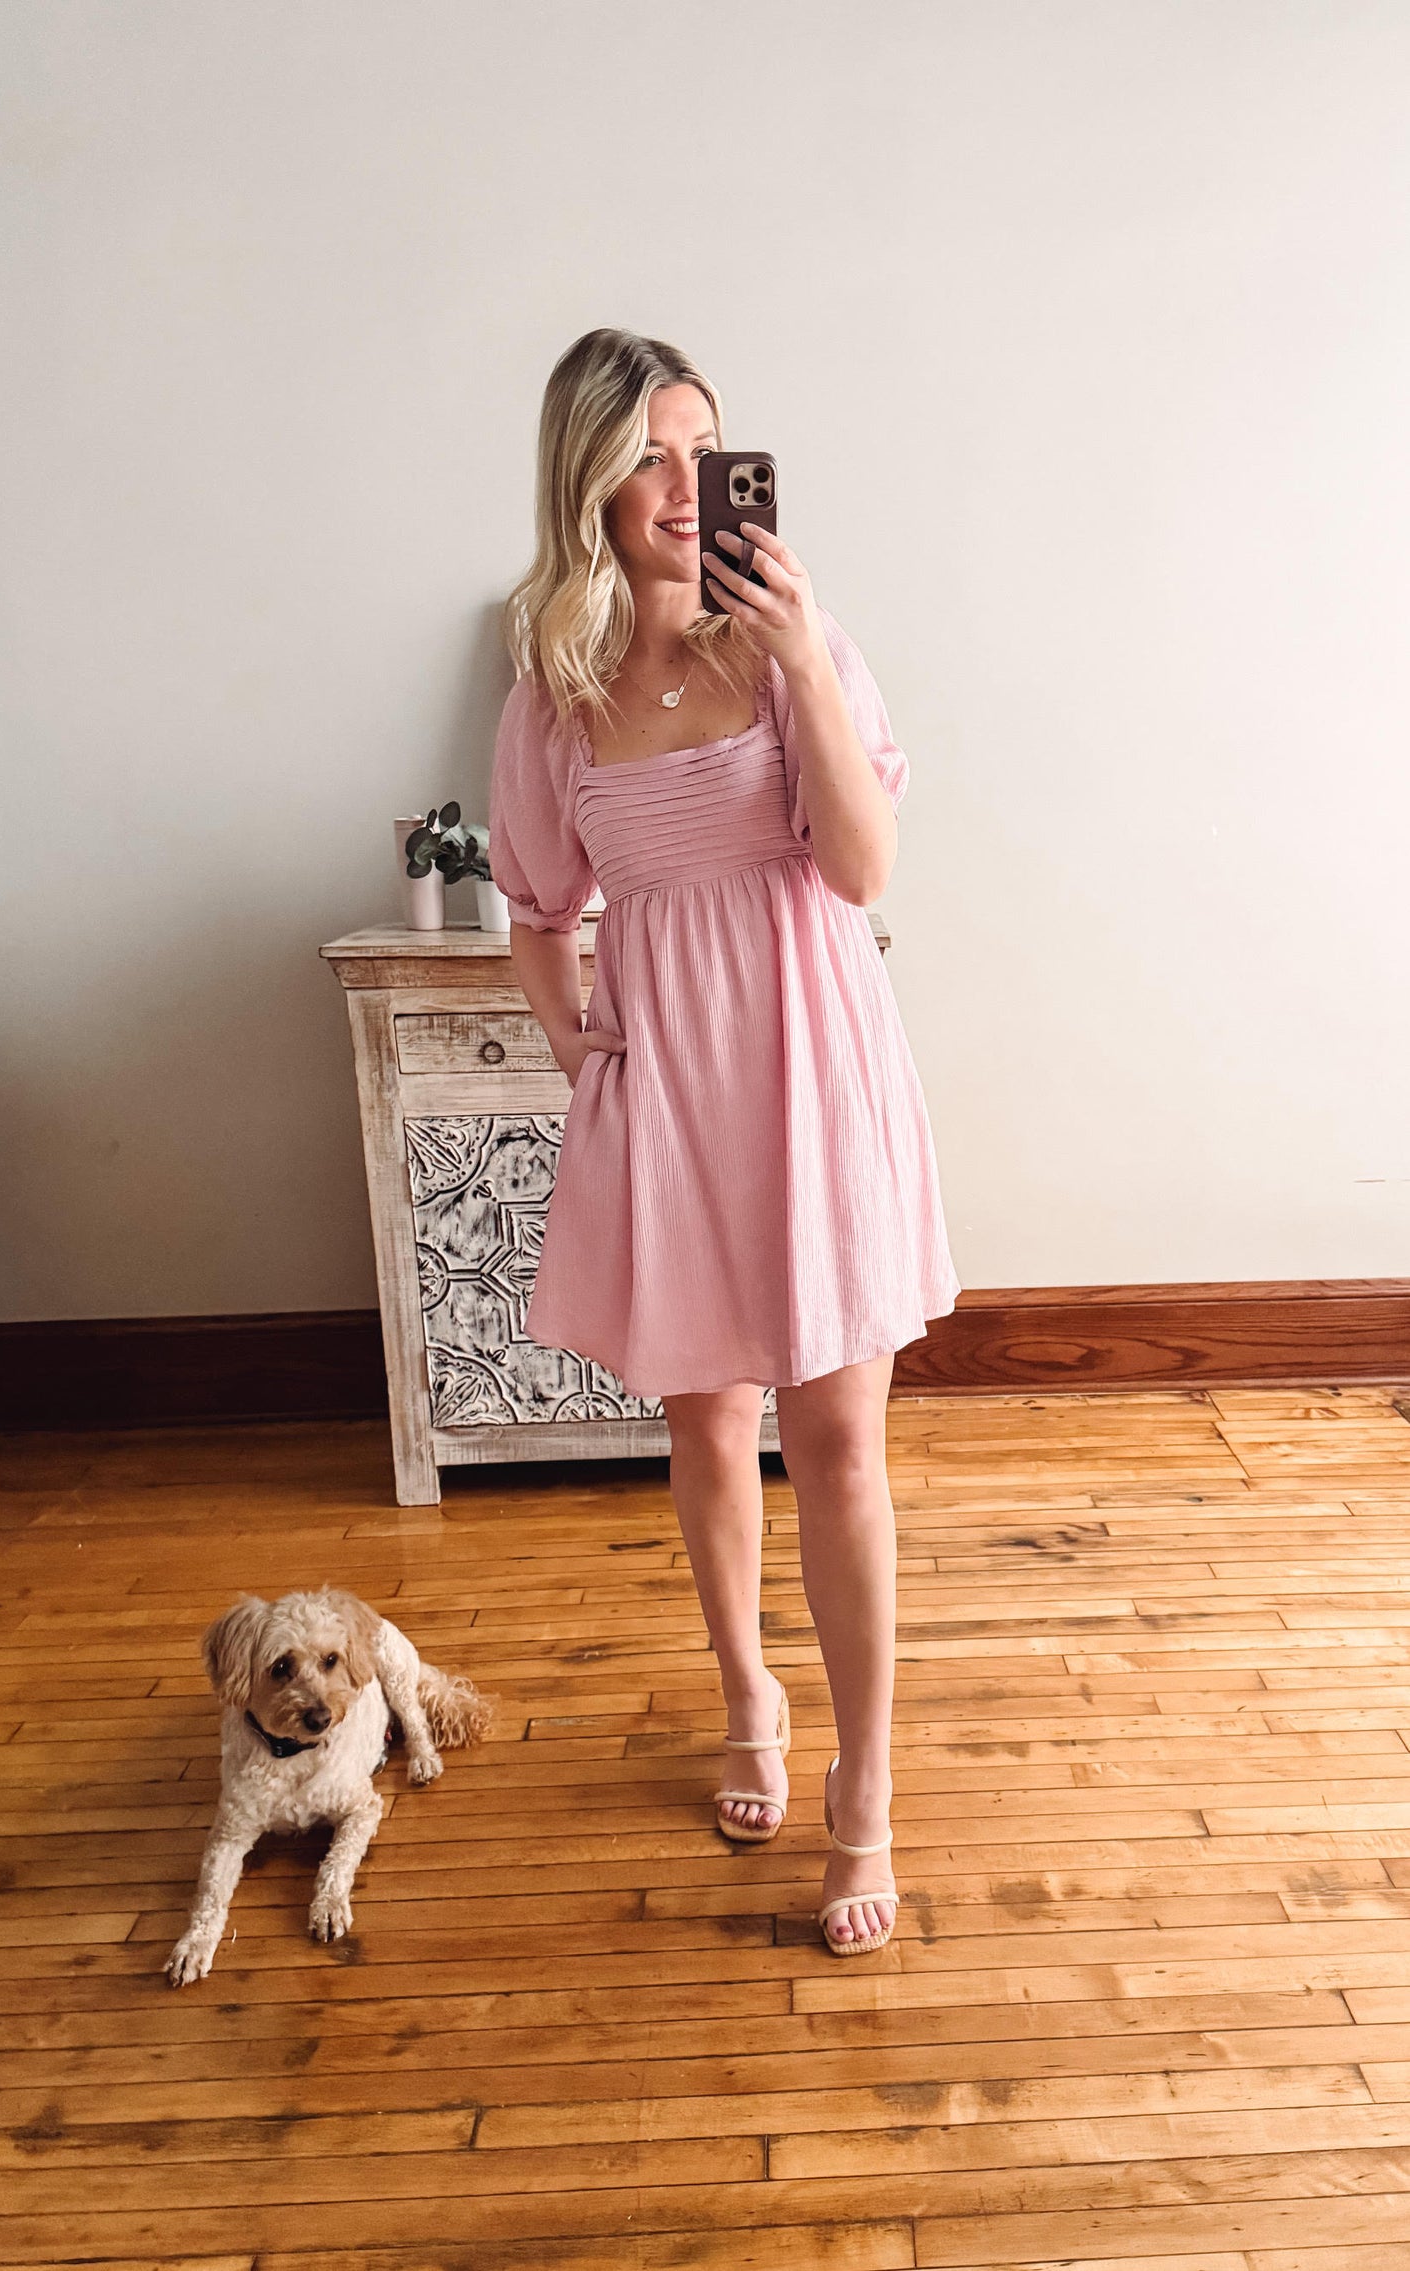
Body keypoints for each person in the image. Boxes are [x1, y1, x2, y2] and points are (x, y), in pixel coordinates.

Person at [488, 328, 959, 1954]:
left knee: (838, 1449)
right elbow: (538, 906)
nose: (685, 485)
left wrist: (808, 661)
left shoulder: (793, 645)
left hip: (815, 1068)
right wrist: (571, 1039)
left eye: (705, 447)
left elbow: (865, 864)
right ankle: (746, 1695)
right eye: (649, 455)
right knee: (707, 1432)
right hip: (671, 1090)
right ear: (592, 485)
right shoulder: (552, 695)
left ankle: (865, 1799)